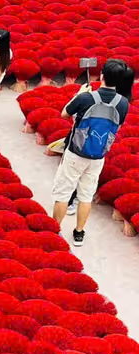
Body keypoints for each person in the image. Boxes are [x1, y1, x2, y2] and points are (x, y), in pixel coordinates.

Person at [51, 58, 132, 247]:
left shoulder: (86, 97)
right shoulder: (123, 103)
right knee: (86, 195)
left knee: (63, 193)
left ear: (102, 75)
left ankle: (55, 230)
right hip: (98, 156)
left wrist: (78, 94)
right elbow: (116, 127)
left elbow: (64, 114)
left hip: (75, 152)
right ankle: (79, 233)